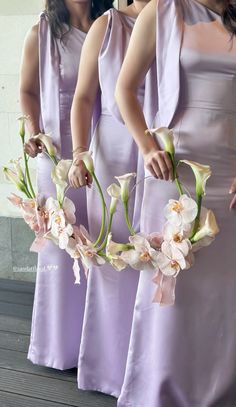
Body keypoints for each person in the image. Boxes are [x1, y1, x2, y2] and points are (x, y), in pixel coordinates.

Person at [115, 0, 236, 405]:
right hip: (175, 170)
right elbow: (124, 89)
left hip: (231, 172)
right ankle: (161, 390)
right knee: (176, 291)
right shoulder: (162, 11)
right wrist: (147, 147)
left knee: (225, 293)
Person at [19, 0, 113, 370]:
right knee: (61, 254)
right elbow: (27, 91)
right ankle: (59, 348)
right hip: (59, 154)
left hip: (104, 154)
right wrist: (32, 130)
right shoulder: (41, 34)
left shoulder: (109, 25)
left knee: (101, 247)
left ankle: (99, 348)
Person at [69, 0, 156, 396]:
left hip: (162, 153)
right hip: (113, 154)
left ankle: (151, 370)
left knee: (158, 261)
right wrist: (79, 153)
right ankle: (108, 369)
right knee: (113, 261)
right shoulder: (106, 26)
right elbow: (84, 97)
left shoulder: (175, 20)